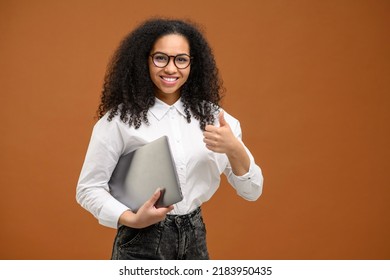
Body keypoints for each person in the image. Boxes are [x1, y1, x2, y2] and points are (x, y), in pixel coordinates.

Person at [76, 18, 263, 260]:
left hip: (194, 237)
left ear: (193, 64)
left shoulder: (218, 120)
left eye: (181, 59)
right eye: (161, 58)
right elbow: (88, 188)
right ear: (145, 60)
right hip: (140, 239)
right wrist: (130, 218)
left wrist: (233, 148)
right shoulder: (118, 121)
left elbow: (252, 192)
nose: (171, 69)